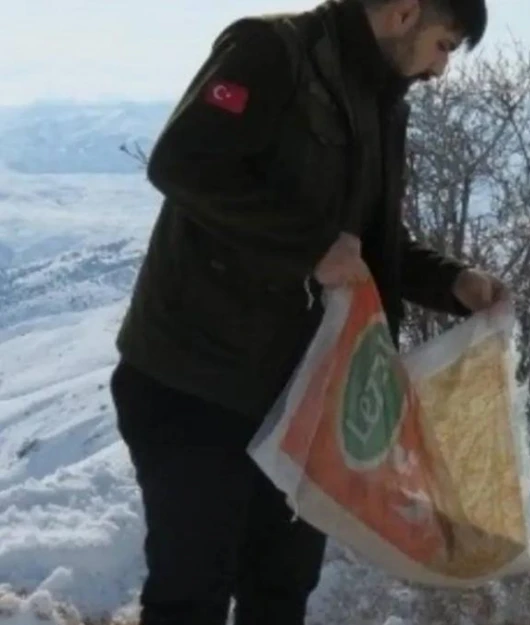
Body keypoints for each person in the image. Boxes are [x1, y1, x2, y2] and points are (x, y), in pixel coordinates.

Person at [108, 0, 504, 623]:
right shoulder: (271, 51)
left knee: (281, 590)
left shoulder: (380, 99)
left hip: (302, 398)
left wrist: (454, 283)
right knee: (191, 594)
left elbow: (366, 245)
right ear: (405, 13)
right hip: (196, 385)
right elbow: (184, 162)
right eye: (444, 45)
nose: (440, 70)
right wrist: (308, 246)